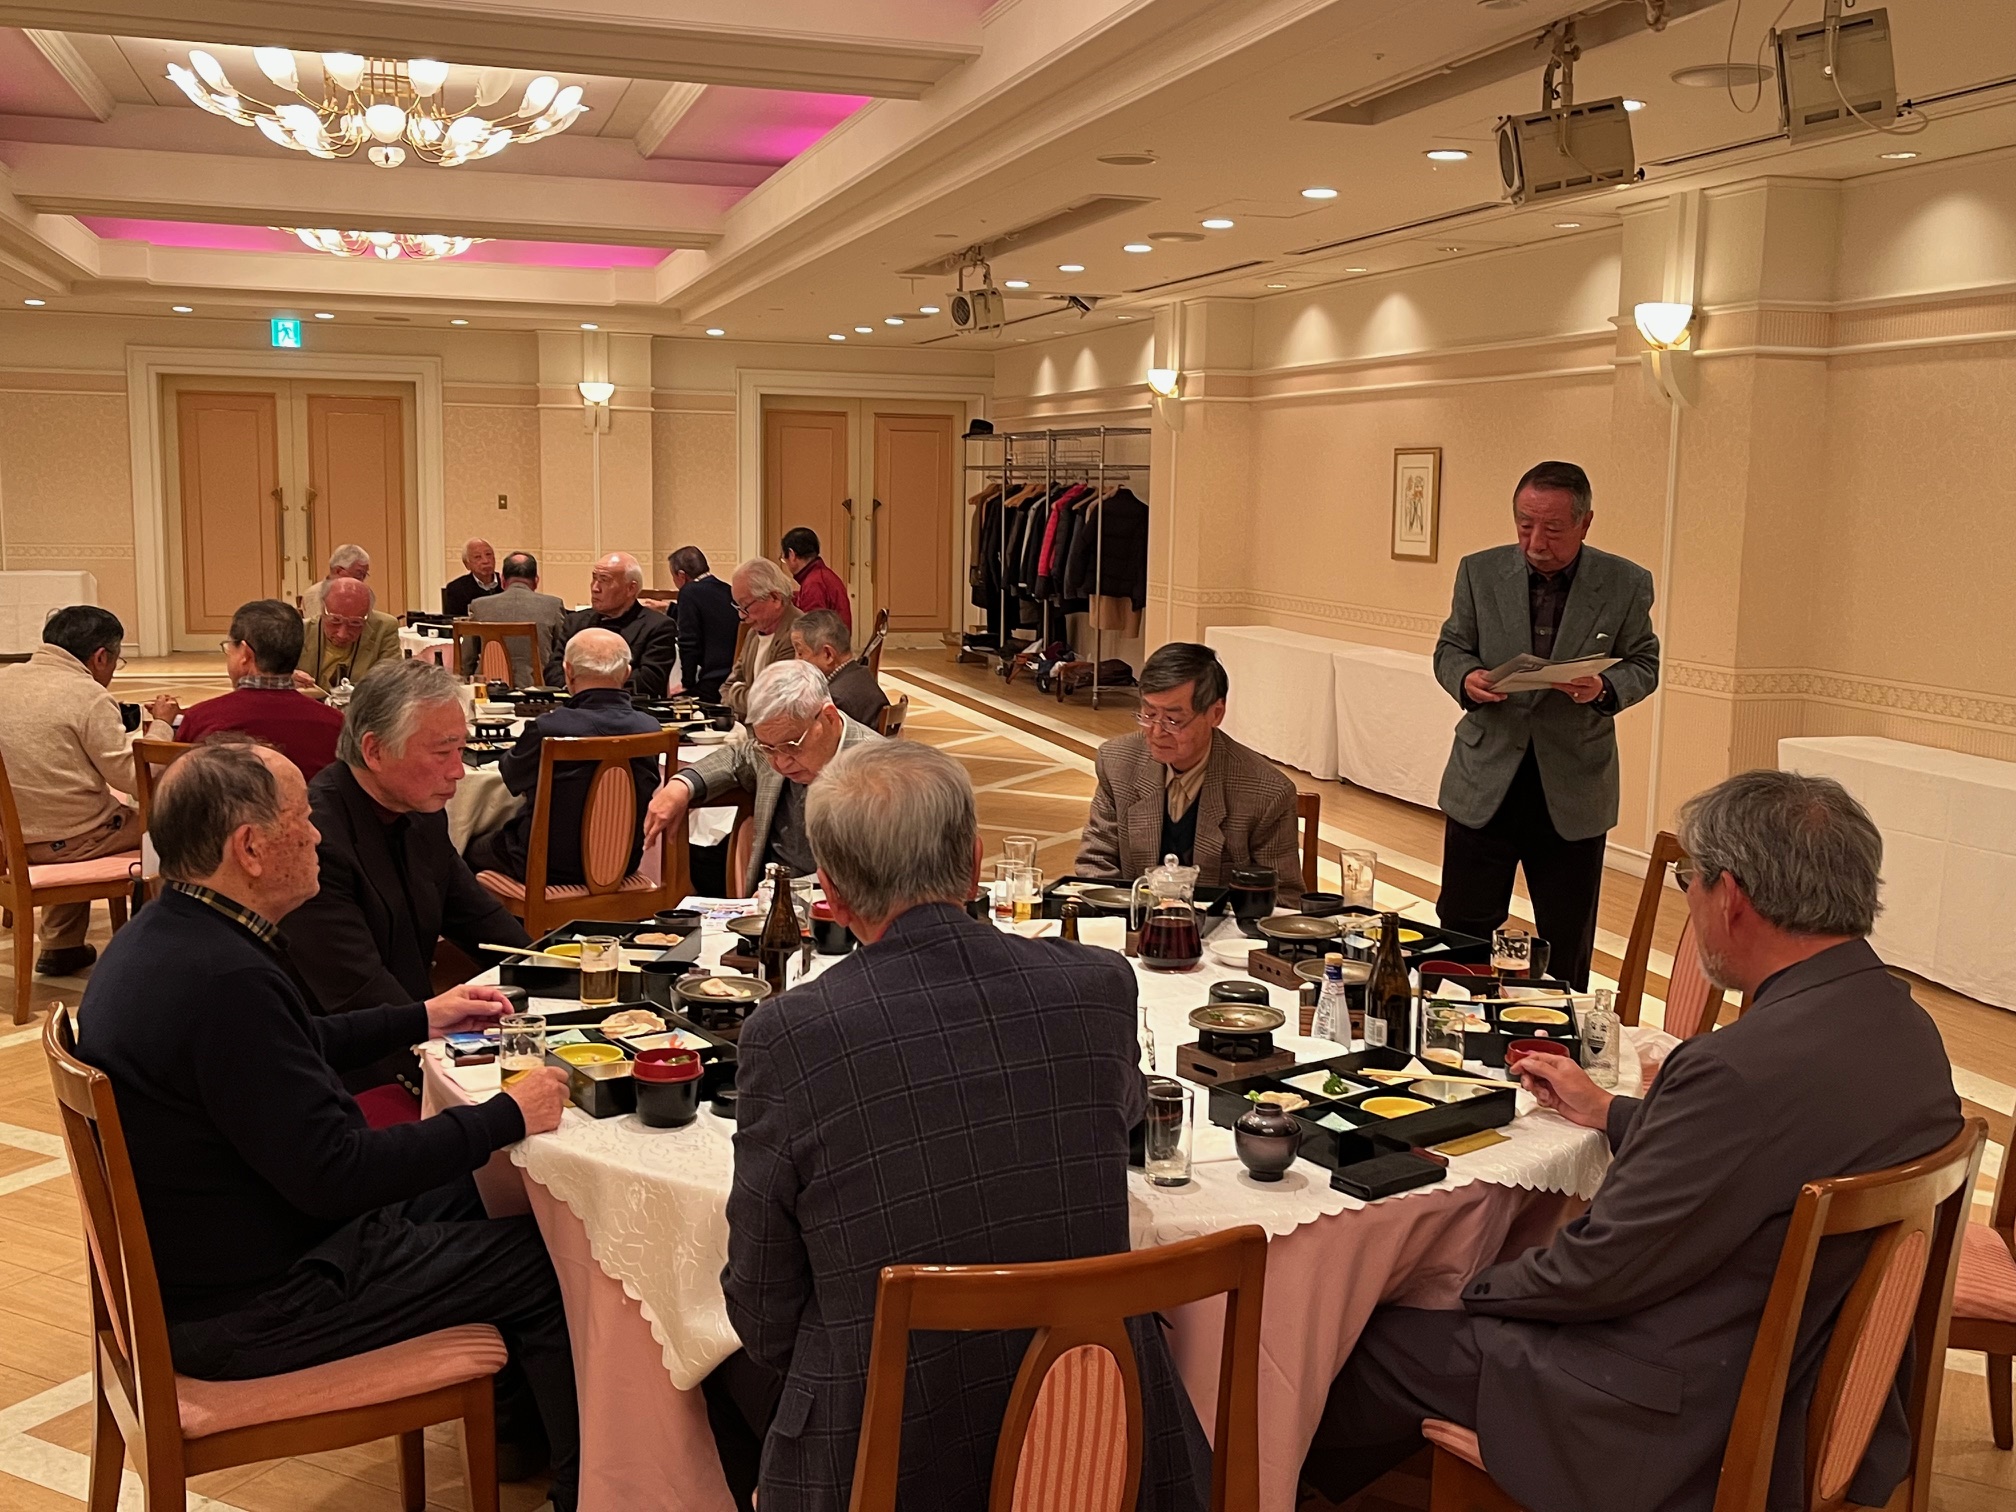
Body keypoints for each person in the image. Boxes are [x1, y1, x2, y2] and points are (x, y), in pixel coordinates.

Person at [1302, 769, 1962, 1512]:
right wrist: (1613, 1113)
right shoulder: (1906, 1027)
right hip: (1796, 1382)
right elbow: (1771, 1152)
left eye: (1689, 881)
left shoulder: (1735, 1070)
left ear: (1730, 896)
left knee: (1368, 1341)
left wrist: (1460, 1285)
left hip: (1676, 1416)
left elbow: (1595, 1271)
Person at [75, 738, 581, 1509]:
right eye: (301, 819)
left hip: (224, 1255)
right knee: (546, 1257)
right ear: (250, 848)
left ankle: (516, 1436)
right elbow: (338, 1176)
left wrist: (422, 1015)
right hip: (253, 1305)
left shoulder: (166, 935)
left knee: (488, 1196)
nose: (317, 835)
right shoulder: (226, 978)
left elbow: (289, 1044)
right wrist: (507, 1115)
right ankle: (584, 1491)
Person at [714, 739, 1209, 1512]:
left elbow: (764, 1310)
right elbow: (1115, 1129)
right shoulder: (1096, 986)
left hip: (888, 1463)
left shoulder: (793, 1034)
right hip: (1101, 1439)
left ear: (831, 895)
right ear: (975, 864)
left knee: (717, 1381)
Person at [1432, 460, 1660, 989]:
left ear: (1586, 522)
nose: (1536, 542)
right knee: (1463, 928)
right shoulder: (1479, 572)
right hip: (1485, 777)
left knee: (1566, 937)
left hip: (1573, 784)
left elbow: (1644, 663)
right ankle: (1458, 1021)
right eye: (1524, 525)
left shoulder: (1625, 582)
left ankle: (1555, 1033)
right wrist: (1466, 677)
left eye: (1553, 529)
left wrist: (1604, 688)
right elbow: (1451, 648)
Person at [283, 659, 530, 1094]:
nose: (458, 770)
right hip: (340, 1070)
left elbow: (482, 923)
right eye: (442, 752)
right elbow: (359, 993)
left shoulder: (420, 813)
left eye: (461, 750)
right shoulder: (316, 841)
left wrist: (550, 974)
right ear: (375, 751)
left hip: (412, 1028)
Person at [0, 606, 176, 975]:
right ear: (100, 657)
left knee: (74, 801)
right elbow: (134, 778)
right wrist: (161, 725)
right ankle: (154, 945)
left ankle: (61, 944)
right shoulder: (88, 695)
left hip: (10, 838)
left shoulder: (5, 679)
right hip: (70, 840)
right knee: (169, 822)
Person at [1076, 642, 1304, 904]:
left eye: (1173, 720)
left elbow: (1284, 898)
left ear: (1216, 713)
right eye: (1148, 714)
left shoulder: (1266, 792)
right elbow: (1096, 862)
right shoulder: (1118, 763)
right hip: (1134, 920)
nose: (1156, 732)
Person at [644, 659, 877, 897]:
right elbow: (738, 755)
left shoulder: (878, 772)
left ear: (829, 717)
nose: (780, 762)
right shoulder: (774, 749)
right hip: (764, 900)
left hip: (835, 907)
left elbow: (869, 874)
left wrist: (786, 891)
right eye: (768, 747)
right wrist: (682, 784)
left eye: (792, 746)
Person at [465, 629, 663, 885]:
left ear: (568, 671)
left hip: (544, 864)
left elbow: (511, 778)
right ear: (626, 673)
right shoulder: (650, 728)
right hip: (622, 863)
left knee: (464, 845)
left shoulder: (549, 728)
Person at [177, 599, 345, 779]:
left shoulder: (201, 718)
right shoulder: (335, 724)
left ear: (245, 654)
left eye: (229, 646)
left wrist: (161, 723)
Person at [543, 551, 677, 699]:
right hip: (575, 703)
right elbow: (553, 670)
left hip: (628, 707)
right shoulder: (575, 622)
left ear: (631, 588)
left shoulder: (658, 626)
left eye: (604, 580)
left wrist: (588, 687)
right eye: (594, 578)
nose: (595, 588)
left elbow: (649, 681)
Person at [466, 550, 567, 686]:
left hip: (489, 689)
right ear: (536, 581)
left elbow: (467, 659)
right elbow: (562, 655)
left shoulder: (479, 606)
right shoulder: (553, 606)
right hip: (538, 690)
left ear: (502, 580)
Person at [718, 557, 801, 720]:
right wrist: (743, 693)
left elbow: (772, 702)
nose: (741, 615)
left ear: (775, 598)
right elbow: (727, 687)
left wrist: (738, 693)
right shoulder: (753, 633)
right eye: (738, 606)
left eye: (745, 606)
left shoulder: (797, 634)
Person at [294, 577, 401, 693]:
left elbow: (391, 680)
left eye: (355, 623)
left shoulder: (384, 628)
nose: (342, 634)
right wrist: (288, 679)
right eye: (335, 620)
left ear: (368, 615)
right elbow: (280, 674)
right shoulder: (300, 631)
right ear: (322, 609)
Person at [790, 609, 887, 730]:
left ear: (828, 654)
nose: (796, 660)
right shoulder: (862, 674)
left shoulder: (835, 701)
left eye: (800, 653)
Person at [668, 545, 736, 702]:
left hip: (710, 681)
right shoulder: (727, 589)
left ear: (681, 575)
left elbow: (689, 643)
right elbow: (709, 616)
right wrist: (670, 608)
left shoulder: (688, 591)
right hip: (730, 676)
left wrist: (687, 684)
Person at [780, 526, 850, 631]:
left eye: (784, 559)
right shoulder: (821, 576)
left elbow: (812, 631)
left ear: (791, 554)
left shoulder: (814, 583)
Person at [301, 543, 370, 622]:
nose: (362, 580)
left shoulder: (359, 593)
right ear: (338, 571)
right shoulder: (315, 593)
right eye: (359, 574)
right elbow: (322, 625)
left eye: (365, 575)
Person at [441, 537, 503, 620]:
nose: (485, 561)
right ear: (467, 565)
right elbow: (455, 623)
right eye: (478, 557)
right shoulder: (457, 589)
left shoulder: (508, 583)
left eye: (488, 554)